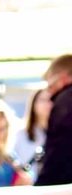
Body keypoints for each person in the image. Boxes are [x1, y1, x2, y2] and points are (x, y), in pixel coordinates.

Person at [36, 54, 72, 186]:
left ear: (62, 78)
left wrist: (40, 188)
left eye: (50, 86)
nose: (50, 93)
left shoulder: (65, 101)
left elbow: (58, 155)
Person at [14, 87, 51, 180]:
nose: (47, 104)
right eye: (42, 100)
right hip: (29, 185)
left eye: (50, 99)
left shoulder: (60, 133)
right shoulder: (21, 133)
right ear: (33, 103)